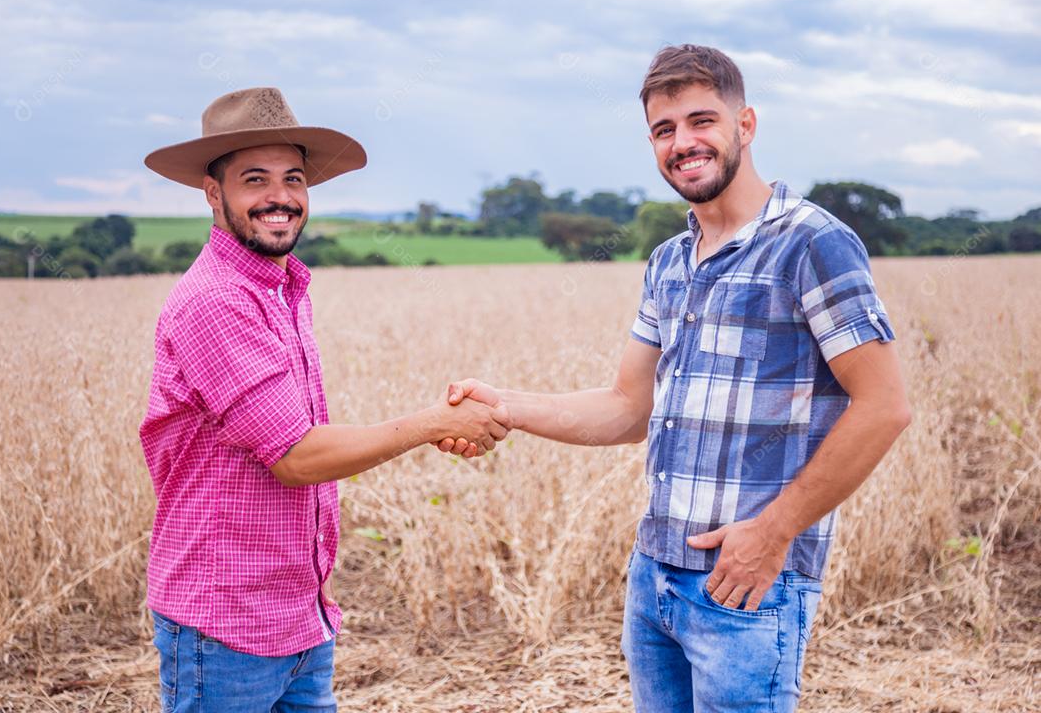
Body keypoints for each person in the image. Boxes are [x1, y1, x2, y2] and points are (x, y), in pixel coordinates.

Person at [440, 45, 911, 712]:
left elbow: (885, 406)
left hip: (746, 586)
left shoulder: (811, 243)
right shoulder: (669, 262)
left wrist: (774, 532)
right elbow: (627, 408)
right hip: (654, 580)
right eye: (664, 131)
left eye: (701, 121)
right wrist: (505, 405)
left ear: (745, 125)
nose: (683, 144)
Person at [139, 87, 509, 712]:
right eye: (255, 179)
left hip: (300, 616)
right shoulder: (217, 301)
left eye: (293, 179)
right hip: (226, 625)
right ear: (213, 193)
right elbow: (297, 457)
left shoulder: (284, 287)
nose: (279, 197)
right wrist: (433, 423)